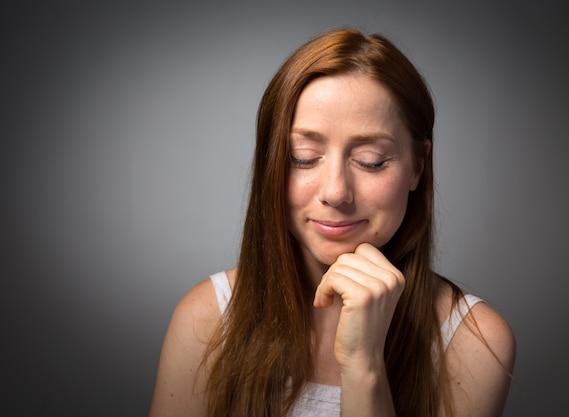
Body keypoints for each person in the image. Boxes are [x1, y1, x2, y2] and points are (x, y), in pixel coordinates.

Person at [148, 27, 516, 417]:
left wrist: (363, 365)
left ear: (417, 167)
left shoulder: (474, 342)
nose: (336, 191)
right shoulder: (206, 318)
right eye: (303, 156)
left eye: (371, 160)